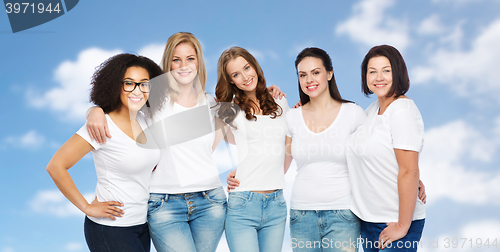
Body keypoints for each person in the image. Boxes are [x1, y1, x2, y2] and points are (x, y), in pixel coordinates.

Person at [85, 32, 284, 252]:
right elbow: (119, 106)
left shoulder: (213, 104)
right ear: (167, 63)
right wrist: (94, 110)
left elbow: (256, 134)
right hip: (164, 204)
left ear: (198, 62)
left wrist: (271, 93)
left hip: (211, 203)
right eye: (176, 59)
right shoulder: (152, 101)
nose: (184, 65)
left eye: (190, 58)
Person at [46, 53, 165, 252]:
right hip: (110, 228)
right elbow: (56, 166)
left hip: (141, 225)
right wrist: (86, 207)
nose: (137, 90)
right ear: (115, 85)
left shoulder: (145, 120)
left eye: (144, 84)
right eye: (129, 83)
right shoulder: (101, 126)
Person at [345, 45, 426, 252]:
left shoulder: (402, 110)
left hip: (394, 222)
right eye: (372, 71)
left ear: (397, 72)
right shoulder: (372, 110)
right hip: (368, 220)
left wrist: (402, 226)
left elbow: (409, 170)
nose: (378, 77)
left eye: (386, 70)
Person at [286, 47, 365, 252]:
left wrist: (413, 177)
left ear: (329, 74)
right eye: (302, 75)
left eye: (316, 72)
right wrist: (240, 173)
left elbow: (373, 158)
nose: (309, 79)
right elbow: (279, 166)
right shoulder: (292, 117)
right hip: (301, 215)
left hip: (343, 214)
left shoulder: (353, 113)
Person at [215, 46, 289, 252]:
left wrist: (272, 172)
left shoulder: (279, 99)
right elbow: (218, 142)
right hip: (243, 204)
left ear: (255, 66)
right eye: (236, 74)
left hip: (276, 204)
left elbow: (288, 144)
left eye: (247, 68)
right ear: (231, 80)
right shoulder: (229, 108)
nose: (245, 77)